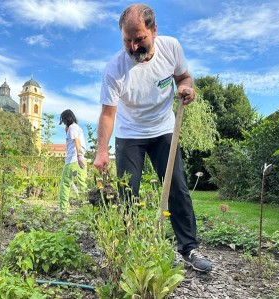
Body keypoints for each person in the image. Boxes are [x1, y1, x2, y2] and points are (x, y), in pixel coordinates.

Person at [93, 4, 212, 272]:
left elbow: (185, 77)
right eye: (127, 40)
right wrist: (102, 151)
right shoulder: (114, 69)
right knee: (127, 193)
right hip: (129, 134)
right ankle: (129, 249)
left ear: (154, 30)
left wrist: (185, 88)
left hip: (163, 130)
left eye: (140, 39)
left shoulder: (171, 48)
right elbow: (108, 114)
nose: (133, 47)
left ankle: (189, 248)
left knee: (177, 188)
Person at [58, 109, 87, 212]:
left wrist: (78, 156)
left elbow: (77, 141)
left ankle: (62, 210)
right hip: (82, 159)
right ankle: (88, 209)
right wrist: (81, 157)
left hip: (73, 160)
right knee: (83, 184)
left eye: (64, 120)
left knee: (65, 184)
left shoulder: (72, 127)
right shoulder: (78, 128)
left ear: (66, 119)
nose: (64, 123)